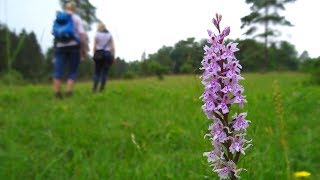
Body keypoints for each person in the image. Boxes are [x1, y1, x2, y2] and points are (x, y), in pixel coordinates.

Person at [52, 1, 87, 99]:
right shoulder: (76, 18)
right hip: (74, 46)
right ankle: (68, 92)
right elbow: (82, 34)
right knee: (72, 71)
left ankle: (57, 93)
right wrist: (84, 49)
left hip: (60, 46)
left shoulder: (59, 17)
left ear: (65, 8)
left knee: (58, 71)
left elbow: (53, 32)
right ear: (74, 9)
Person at [92, 22, 115, 92]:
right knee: (104, 73)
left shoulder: (96, 34)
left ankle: (94, 89)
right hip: (107, 54)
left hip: (98, 54)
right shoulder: (109, 35)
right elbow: (113, 47)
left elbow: (94, 47)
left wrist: (94, 56)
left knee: (97, 72)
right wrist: (113, 56)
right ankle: (101, 89)